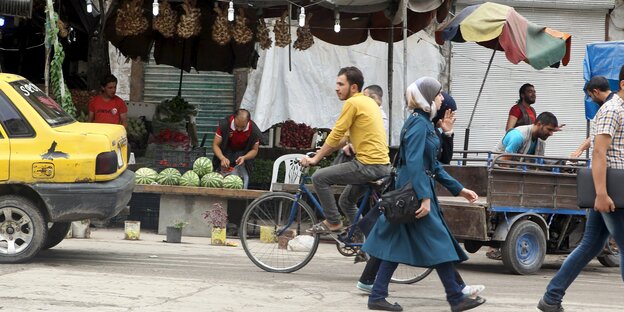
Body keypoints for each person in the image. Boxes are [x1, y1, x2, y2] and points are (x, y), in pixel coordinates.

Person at [362, 77, 485, 312]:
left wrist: (459, 189)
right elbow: (416, 164)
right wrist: (425, 197)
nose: (441, 98)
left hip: (412, 192)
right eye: (438, 94)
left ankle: (377, 295)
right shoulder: (419, 125)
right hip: (415, 194)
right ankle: (455, 297)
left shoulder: (424, 123)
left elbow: (434, 165)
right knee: (439, 244)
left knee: (397, 244)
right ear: (428, 98)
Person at [537, 65, 624, 312]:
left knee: (591, 246)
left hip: (613, 190)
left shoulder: (615, 110)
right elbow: (599, 152)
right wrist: (601, 193)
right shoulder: (612, 109)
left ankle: (551, 298)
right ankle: (551, 298)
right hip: (611, 192)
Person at [300, 66, 391, 233]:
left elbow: (336, 134)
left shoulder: (353, 102)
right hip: (381, 165)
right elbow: (343, 139)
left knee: (319, 177)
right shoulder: (367, 102)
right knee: (345, 202)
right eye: (336, 84)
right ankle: (364, 241)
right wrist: (321, 151)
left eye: (341, 84)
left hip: (368, 165)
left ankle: (333, 222)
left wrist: (316, 159)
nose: (336, 88)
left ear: (354, 87)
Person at [211, 109, 262, 189]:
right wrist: (222, 158)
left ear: (248, 121)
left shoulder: (254, 131)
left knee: (242, 184)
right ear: (233, 118)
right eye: (236, 126)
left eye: (243, 127)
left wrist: (244, 157)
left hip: (243, 156)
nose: (239, 129)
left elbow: (254, 150)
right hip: (225, 153)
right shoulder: (225, 125)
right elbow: (215, 145)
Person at [569, 76, 616, 158]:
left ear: (596, 92)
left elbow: (599, 138)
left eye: (591, 96)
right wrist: (579, 150)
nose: (592, 100)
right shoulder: (615, 102)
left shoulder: (609, 107)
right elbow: (597, 134)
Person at [494, 111, 559, 157]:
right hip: (495, 172)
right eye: (549, 129)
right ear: (539, 124)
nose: (551, 134)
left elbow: (539, 163)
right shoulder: (518, 136)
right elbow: (504, 163)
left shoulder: (540, 141)